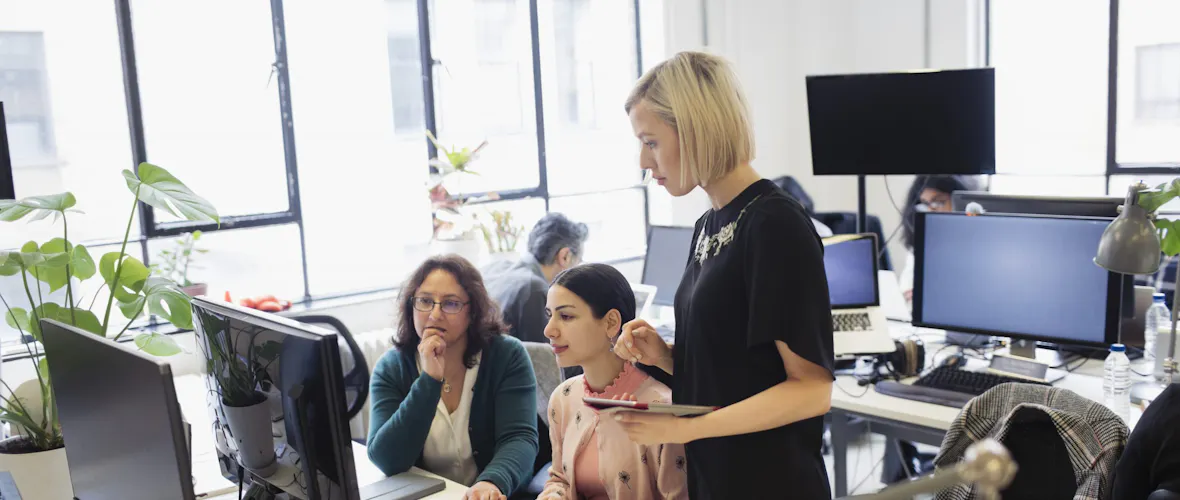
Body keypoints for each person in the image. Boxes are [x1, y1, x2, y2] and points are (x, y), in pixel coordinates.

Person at [612, 51, 835, 499]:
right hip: (719, 478)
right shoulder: (708, 225)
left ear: (694, 129)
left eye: (651, 142)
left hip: (772, 483)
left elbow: (811, 390)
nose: (642, 159)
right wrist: (668, 357)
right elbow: (744, 370)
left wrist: (690, 428)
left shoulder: (774, 224)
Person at [367, 255, 539, 500]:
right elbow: (386, 460)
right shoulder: (391, 368)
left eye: (450, 304)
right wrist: (429, 380)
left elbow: (519, 438)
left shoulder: (506, 355)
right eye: (425, 301)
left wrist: (491, 483)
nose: (435, 315)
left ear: (473, 311)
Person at [539, 264, 688, 500]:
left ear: (610, 323)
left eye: (566, 316)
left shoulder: (660, 408)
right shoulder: (563, 397)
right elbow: (559, 478)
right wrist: (554, 495)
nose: (549, 330)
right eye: (550, 315)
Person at [483, 213, 589, 344]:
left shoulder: (496, 268)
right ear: (564, 256)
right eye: (578, 261)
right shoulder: (535, 290)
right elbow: (543, 359)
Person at [898, 175, 982, 306]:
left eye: (939, 202)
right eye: (925, 204)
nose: (931, 210)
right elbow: (907, 291)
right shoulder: (922, 242)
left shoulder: (977, 244)